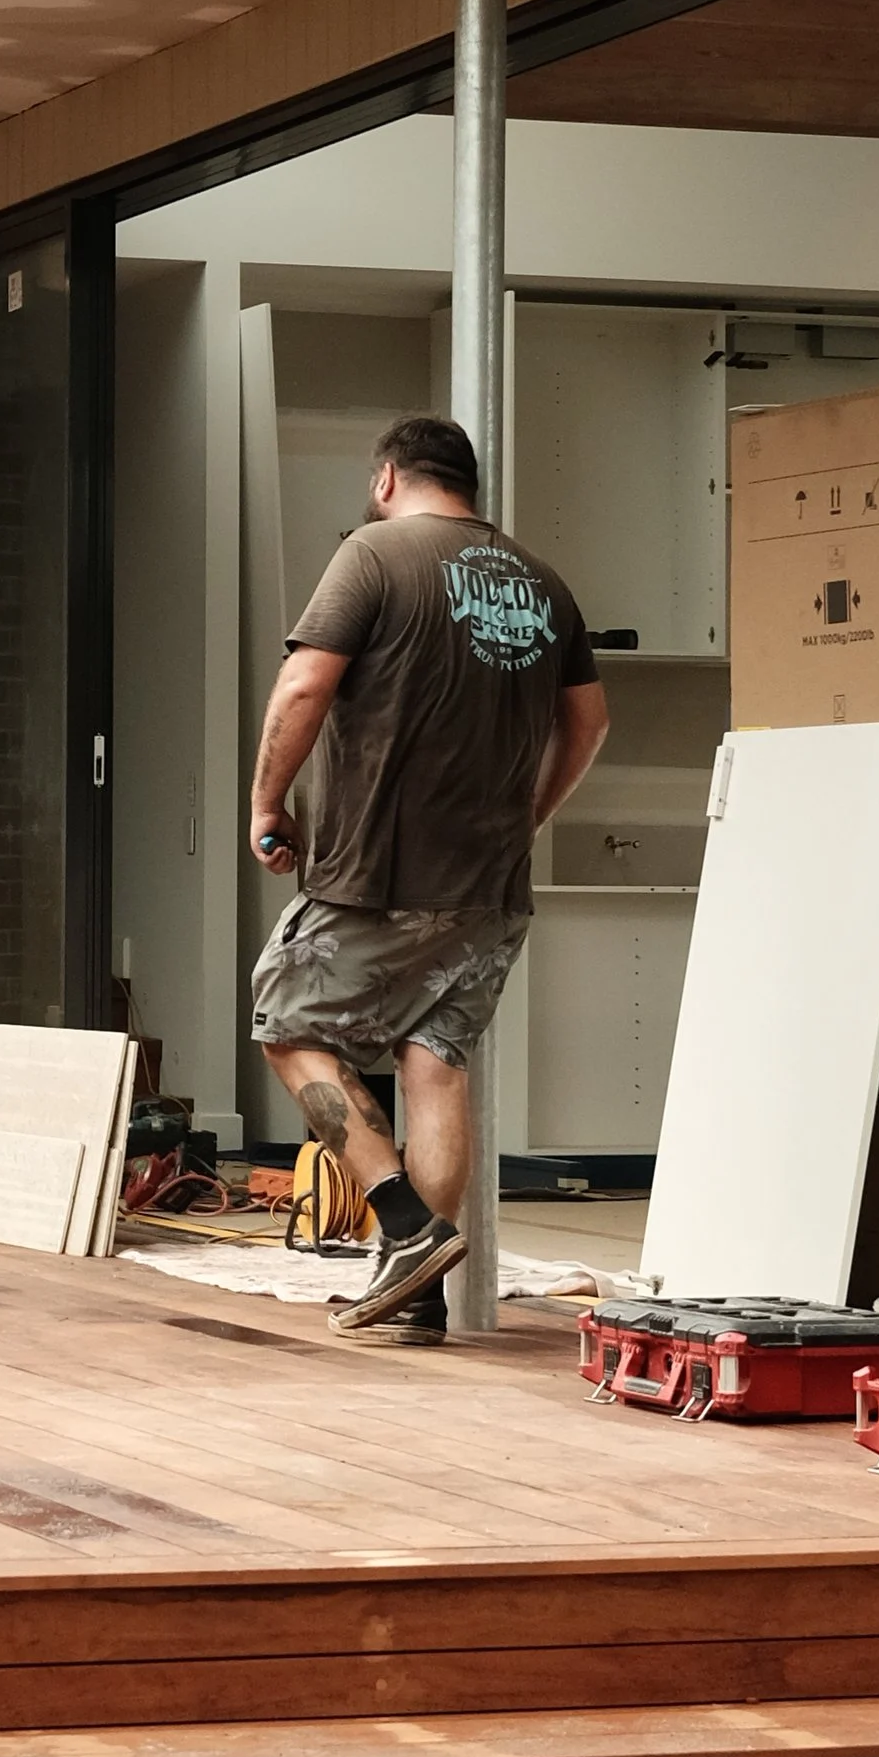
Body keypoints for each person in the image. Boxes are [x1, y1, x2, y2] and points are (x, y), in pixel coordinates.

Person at [247, 415, 608, 1338]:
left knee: (285, 1022)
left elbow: (303, 685)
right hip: (489, 884)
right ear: (470, 487)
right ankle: (423, 1306)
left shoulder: (373, 556)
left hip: (380, 866)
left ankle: (404, 1228)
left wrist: (267, 803)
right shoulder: (542, 582)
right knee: (433, 1060)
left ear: (387, 479)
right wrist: (529, 815)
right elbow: (591, 724)